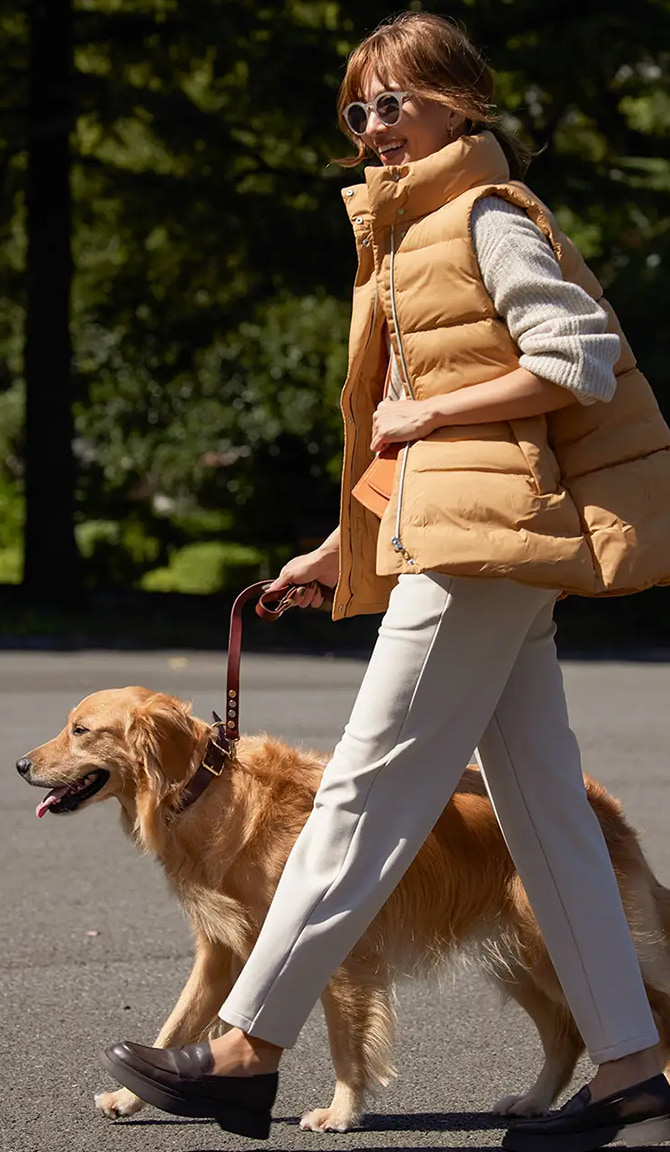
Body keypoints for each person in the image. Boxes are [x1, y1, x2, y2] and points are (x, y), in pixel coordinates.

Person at [101, 13, 670, 1151]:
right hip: (472, 536)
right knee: (548, 817)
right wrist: (340, 541)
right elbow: (426, 451)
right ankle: (631, 1072)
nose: (373, 128)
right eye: (357, 110)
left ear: (464, 103)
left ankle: (244, 1048)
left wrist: (432, 409)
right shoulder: (411, 230)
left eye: (395, 103)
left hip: (483, 549)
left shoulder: (485, 215)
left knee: (359, 789)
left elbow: (574, 358)